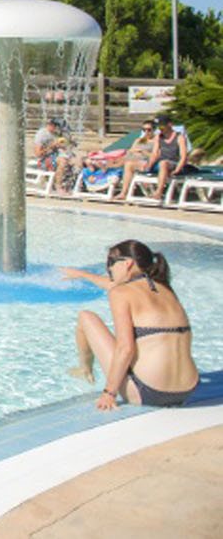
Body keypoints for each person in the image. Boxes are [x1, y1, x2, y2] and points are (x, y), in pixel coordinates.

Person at [62, 239, 198, 408]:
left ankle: (85, 369)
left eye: (111, 263)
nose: (110, 269)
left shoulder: (120, 293)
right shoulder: (165, 288)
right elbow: (112, 284)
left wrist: (109, 393)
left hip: (149, 392)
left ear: (127, 263)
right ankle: (85, 370)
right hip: (187, 389)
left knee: (85, 317)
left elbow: (125, 348)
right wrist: (83, 275)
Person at [113, 114, 192, 201]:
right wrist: (148, 166)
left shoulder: (179, 137)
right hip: (160, 164)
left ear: (169, 124)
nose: (160, 128)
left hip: (174, 163)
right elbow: (155, 154)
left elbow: (183, 156)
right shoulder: (159, 137)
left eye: (162, 126)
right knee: (129, 164)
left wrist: (177, 170)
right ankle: (123, 193)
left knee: (163, 163)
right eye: (158, 126)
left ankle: (158, 193)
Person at [33, 119, 76, 192]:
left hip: (56, 156)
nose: (58, 129)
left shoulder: (56, 134)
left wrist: (68, 144)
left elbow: (64, 148)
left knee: (77, 161)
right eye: (56, 126)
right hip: (44, 159)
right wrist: (52, 146)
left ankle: (73, 186)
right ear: (51, 125)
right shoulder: (42, 135)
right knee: (63, 161)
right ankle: (58, 186)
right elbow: (38, 154)